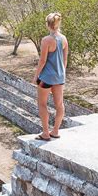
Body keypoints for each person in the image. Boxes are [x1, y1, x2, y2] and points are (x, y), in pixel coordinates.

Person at [32, 12, 68, 141]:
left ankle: (46, 133)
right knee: (59, 104)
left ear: (48, 25)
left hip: (46, 77)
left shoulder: (46, 40)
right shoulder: (64, 39)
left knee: (42, 104)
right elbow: (65, 60)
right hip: (59, 77)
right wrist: (62, 74)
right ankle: (56, 131)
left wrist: (36, 76)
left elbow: (42, 61)